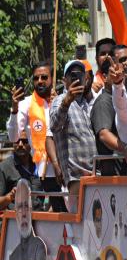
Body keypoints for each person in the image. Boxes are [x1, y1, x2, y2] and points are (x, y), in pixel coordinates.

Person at [7, 61, 67, 212]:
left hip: (65, 169)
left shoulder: (62, 101)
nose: (39, 81)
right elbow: (13, 136)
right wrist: (14, 110)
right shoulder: (26, 104)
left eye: (44, 77)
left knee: (66, 214)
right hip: (41, 173)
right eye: (36, 78)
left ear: (52, 79)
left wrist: (58, 103)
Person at [49, 60, 97, 213]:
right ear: (65, 80)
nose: (76, 78)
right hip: (77, 179)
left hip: (95, 174)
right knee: (83, 224)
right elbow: (54, 126)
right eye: (72, 75)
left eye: (80, 75)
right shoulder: (59, 100)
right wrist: (66, 101)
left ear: (86, 79)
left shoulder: (87, 104)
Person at [91, 47, 127, 177]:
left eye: (121, 72)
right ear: (104, 77)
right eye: (113, 72)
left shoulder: (124, 97)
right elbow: (104, 135)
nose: (118, 75)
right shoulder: (104, 101)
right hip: (114, 176)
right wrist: (126, 149)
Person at [8, 179, 47, 260]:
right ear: (16, 213)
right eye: (20, 207)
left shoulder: (38, 247)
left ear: (31, 210)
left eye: (26, 206)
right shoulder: (14, 255)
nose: (24, 214)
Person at [0, 131, 41, 210]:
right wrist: (9, 197)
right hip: (15, 220)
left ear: (31, 142)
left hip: (41, 219)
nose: (20, 144)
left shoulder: (40, 165)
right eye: (16, 141)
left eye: (25, 141)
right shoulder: (3, 167)